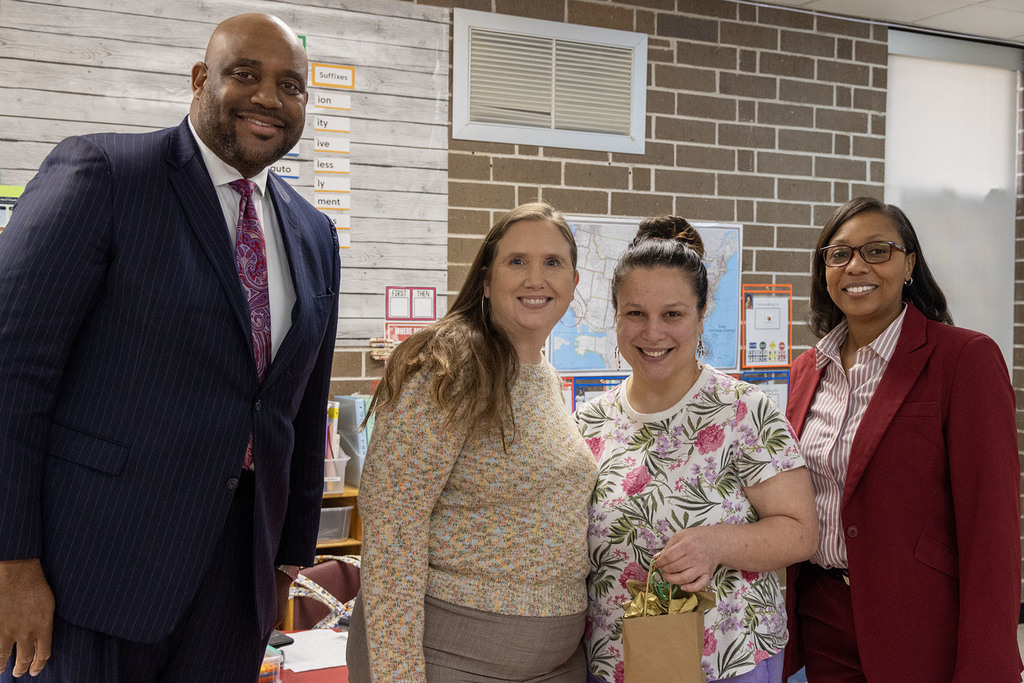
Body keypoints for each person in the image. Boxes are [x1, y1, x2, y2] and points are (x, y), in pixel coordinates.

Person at [0, 13, 340, 682]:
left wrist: (287, 560)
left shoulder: (314, 232)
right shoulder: (106, 175)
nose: (270, 97)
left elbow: (300, 409)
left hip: (233, 584)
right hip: (89, 575)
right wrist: (12, 562)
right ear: (200, 80)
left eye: (291, 85)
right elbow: (13, 376)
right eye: (246, 74)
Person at [346, 202, 598, 682]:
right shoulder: (445, 364)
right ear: (485, 280)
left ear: (573, 284)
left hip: (555, 662)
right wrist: (397, 675)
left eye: (553, 263)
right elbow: (392, 525)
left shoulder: (542, 373)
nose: (535, 278)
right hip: (452, 657)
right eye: (516, 261)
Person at [783, 197, 1022, 682]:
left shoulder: (963, 359)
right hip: (822, 616)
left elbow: (991, 528)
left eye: (877, 251)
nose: (856, 266)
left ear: (909, 262)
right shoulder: (808, 370)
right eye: (839, 254)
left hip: (922, 624)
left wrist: (986, 665)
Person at [577, 216, 818, 683]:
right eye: (635, 314)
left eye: (672, 314)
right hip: (615, 666)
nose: (652, 333)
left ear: (702, 313)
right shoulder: (589, 422)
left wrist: (717, 544)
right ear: (616, 315)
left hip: (726, 664)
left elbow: (801, 532)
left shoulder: (745, 411)